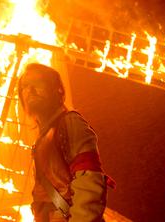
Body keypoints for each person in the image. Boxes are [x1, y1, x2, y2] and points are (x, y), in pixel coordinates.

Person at [18, 63, 115, 222]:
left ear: (57, 89)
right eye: (25, 87)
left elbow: (89, 185)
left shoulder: (70, 125)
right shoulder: (43, 137)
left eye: (38, 84)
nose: (30, 90)